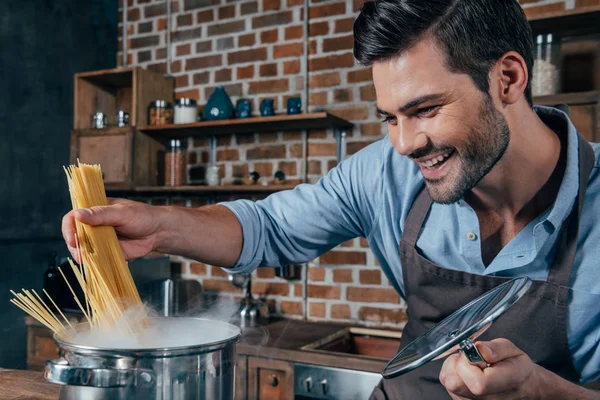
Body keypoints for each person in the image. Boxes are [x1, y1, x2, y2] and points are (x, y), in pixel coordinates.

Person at [62, 0, 600, 398]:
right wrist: (158, 226)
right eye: (389, 118)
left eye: (426, 109)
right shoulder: (384, 173)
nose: (405, 143)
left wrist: (538, 390)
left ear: (507, 78)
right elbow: (269, 228)